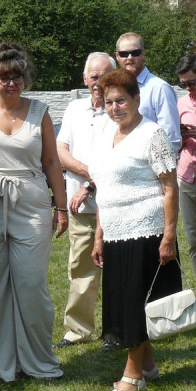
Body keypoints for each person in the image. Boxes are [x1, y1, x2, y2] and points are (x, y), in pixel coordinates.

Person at [0, 42, 66, 382]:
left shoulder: (40, 112)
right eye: (4, 77)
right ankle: (7, 364)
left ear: (25, 78)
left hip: (31, 202)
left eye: (17, 77)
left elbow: (51, 162)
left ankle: (40, 360)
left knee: (31, 284)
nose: (11, 83)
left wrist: (61, 206)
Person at [90, 69, 180, 391]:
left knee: (134, 302)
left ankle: (132, 376)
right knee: (123, 299)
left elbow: (170, 187)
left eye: (122, 101)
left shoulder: (152, 133)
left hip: (147, 230)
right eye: (109, 102)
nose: (115, 108)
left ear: (137, 100)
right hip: (114, 232)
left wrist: (169, 235)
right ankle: (148, 366)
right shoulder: (105, 135)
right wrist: (98, 235)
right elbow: (104, 188)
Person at [55, 51, 115, 349]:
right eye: (93, 76)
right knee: (80, 266)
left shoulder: (119, 112)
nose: (98, 82)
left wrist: (88, 185)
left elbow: (115, 159)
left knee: (116, 268)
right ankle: (77, 330)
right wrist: (85, 173)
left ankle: (116, 330)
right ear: (84, 78)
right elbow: (61, 149)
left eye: (104, 76)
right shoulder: (74, 110)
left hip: (113, 205)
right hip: (80, 207)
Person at [175, 54, 196, 310]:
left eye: (191, 82)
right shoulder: (181, 104)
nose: (188, 88)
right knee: (195, 240)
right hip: (187, 175)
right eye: (183, 84)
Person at [115, 32, 181, 152]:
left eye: (135, 53)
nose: (129, 57)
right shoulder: (114, 88)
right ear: (117, 56)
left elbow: (171, 138)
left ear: (143, 53)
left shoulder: (160, 88)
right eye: (124, 54)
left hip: (149, 166)